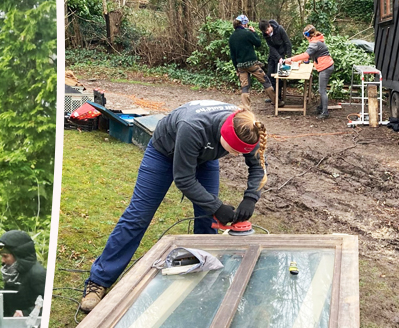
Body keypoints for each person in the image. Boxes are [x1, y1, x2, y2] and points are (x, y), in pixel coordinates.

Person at [79, 101, 268, 313]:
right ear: (225, 132)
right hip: (164, 153)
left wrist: (251, 197)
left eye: (239, 152)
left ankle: (202, 274)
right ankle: (99, 280)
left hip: (205, 156)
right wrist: (217, 206)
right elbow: (184, 179)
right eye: (232, 150)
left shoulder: (249, 127)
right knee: (138, 216)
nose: (234, 155)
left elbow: (258, 166)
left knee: (207, 219)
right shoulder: (193, 126)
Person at [286, 24, 335, 119]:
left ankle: (325, 113)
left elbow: (306, 55)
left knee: (322, 90)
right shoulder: (316, 40)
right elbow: (311, 55)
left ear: (307, 34)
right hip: (326, 66)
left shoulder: (314, 43)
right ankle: (321, 108)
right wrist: (301, 60)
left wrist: (291, 59)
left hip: (325, 67)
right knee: (322, 89)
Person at [0, 230, 47, 318]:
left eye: (6, 256)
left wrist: (25, 313)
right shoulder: (13, 274)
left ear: (18, 255)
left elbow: (48, 305)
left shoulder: (37, 274)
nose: (2, 261)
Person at [228, 15, 275, 106]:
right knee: (266, 82)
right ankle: (276, 102)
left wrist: (236, 68)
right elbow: (258, 43)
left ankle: (246, 108)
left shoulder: (232, 37)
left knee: (245, 87)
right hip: (252, 65)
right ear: (244, 24)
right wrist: (254, 32)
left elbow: (233, 55)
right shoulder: (248, 33)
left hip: (240, 66)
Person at [262, 20, 292, 89]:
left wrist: (288, 57)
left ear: (270, 26)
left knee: (278, 76)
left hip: (281, 53)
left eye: (267, 30)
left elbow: (288, 43)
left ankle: (278, 96)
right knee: (269, 75)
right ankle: (272, 96)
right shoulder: (265, 34)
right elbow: (271, 47)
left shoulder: (279, 29)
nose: (267, 32)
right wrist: (278, 57)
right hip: (273, 55)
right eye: (265, 32)